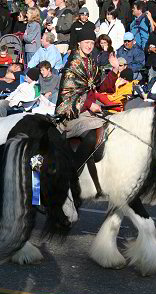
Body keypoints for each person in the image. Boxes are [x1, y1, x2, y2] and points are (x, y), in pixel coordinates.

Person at [55, 26, 120, 181]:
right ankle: (73, 174)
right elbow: (68, 94)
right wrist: (89, 104)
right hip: (72, 113)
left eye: (91, 42)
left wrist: (115, 68)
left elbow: (102, 85)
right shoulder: (73, 64)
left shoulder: (91, 63)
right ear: (79, 43)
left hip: (89, 113)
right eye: (86, 42)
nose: (89, 45)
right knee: (92, 136)